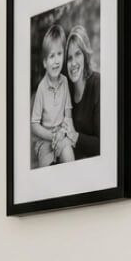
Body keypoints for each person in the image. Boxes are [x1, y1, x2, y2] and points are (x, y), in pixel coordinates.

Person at [31, 24, 75, 167]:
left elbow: (68, 114)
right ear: (45, 62)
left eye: (59, 54)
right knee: (46, 169)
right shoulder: (41, 89)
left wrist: (62, 132)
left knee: (70, 160)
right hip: (45, 139)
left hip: (61, 134)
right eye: (51, 56)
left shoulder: (65, 82)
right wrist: (51, 136)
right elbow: (34, 125)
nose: (56, 61)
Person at [65, 26, 101, 159]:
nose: (73, 63)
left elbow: (103, 145)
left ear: (85, 55)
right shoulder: (66, 89)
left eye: (77, 54)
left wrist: (75, 136)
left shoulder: (97, 85)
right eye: (69, 58)